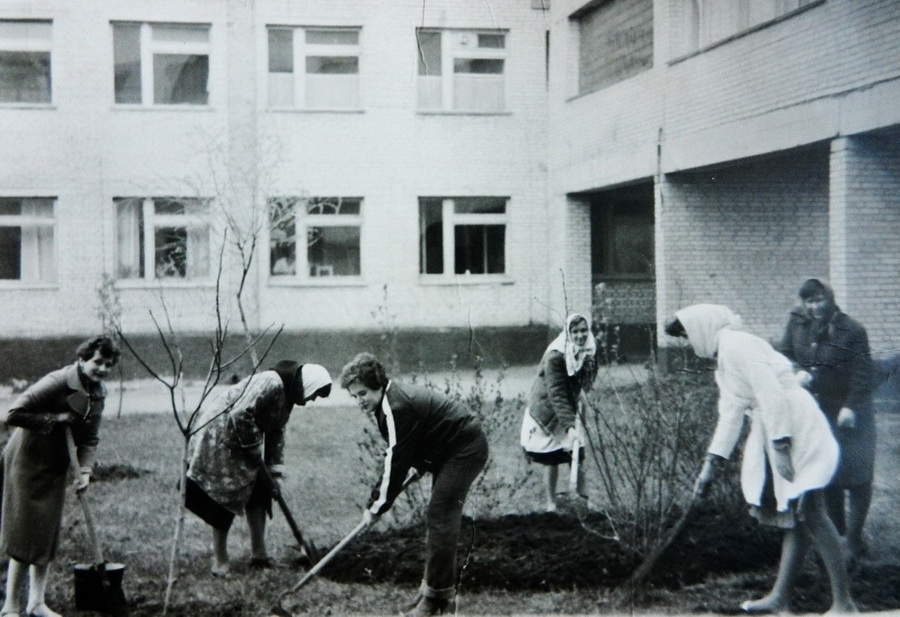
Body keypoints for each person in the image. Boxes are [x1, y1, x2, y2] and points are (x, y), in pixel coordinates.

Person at [665, 304, 857, 614]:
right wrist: (709, 466)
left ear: (702, 327)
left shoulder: (738, 345)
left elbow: (771, 393)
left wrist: (781, 446)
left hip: (795, 425)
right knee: (794, 515)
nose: (688, 342)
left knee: (812, 509)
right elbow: (730, 414)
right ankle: (780, 597)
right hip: (778, 426)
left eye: (687, 335)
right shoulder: (724, 359)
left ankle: (845, 603)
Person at [339, 352, 489, 616]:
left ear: (376, 384)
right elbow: (415, 439)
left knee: (440, 515)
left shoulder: (395, 407)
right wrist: (422, 463)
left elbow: (395, 462)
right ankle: (435, 595)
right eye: (354, 396)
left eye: (362, 394)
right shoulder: (388, 401)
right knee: (438, 517)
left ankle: (434, 601)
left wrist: (376, 506)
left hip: (465, 449)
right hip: (447, 450)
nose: (358, 401)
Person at [1, 335, 121, 617]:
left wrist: (86, 471)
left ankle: (36, 603)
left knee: (46, 534)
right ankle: (10, 607)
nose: (102, 368)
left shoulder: (98, 394)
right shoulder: (58, 381)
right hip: (27, 462)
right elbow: (14, 413)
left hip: (55, 466)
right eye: (97, 362)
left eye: (108, 364)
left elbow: (90, 439)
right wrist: (55, 420)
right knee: (24, 535)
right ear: (82, 359)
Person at [185, 360, 332, 575]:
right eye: (314, 394)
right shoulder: (271, 383)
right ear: (307, 384)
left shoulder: (287, 396)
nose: (311, 400)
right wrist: (254, 447)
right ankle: (220, 561)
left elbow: (275, 432)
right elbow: (239, 414)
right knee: (224, 497)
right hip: (219, 435)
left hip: (243, 440)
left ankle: (259, 556)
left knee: (260, 489)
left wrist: (274, 472)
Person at [780, 278, 877, 563]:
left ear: (830, 298)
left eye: (819, 300)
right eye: (809, 301)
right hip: (817, 412)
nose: (814, 306)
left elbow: (863, 373)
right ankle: (837, 535)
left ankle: (855, 539)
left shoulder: (852, 330)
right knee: (829, 474)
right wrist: (797, 370)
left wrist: (851, 407)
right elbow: (785, 354)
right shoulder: (797, 323)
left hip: (851, 412)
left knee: (858, 477)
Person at [520, 313, 598, 512]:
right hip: (546, 407)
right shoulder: (555, 356)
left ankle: (584, 501)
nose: (580, 335)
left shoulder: (589, 350)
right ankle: (551, 504)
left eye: (583, 330)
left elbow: (588, 380)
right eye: (575, 331)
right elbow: (556, 393)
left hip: (569, 405)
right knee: (552, 456)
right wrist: (569, 425)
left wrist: (583, 387)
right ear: (567, 333)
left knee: (576, 453)